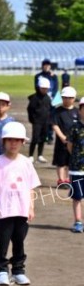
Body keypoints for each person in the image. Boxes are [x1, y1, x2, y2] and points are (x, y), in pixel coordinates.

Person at [0, 122, 40, 286]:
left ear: (23, 142)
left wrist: (31, 207)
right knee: (1, 241)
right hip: (3, 211)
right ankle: (1, 270)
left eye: (17, 140)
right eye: (9, 140)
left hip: (21, 210)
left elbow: (31, 187)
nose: (13, 143)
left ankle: (18, 270)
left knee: (19, 241)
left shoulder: (26, 162)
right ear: (3, 142)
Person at [52, 86, 78, 187]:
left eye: (70, 97)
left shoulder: (77, 112)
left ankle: (67, 179)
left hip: (74, 142)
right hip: (62, 141)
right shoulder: (57, 111)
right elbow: (55, 125)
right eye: (65, 97)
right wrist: (62, 137)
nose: (67, 100)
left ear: (74, 98)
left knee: (70, 161)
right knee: (61, 161)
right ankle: (61, 180)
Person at [66, 97, 84, 233]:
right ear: (80, 110)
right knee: (77, 197)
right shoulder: (75, 127)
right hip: (77, 169)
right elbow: (70, 146)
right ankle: (78, 221)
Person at [28, 77, 52, 163]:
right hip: (37, 122)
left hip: (46, 122)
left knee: (43, 138)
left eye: (46, 88)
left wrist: (49, 120)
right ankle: (31, 155)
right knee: (35, 138)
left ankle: (40, 155)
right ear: (39, 87)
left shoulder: (48, 98)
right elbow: (30, 109)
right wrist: (32, 120)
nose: (44, 90)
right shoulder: (34, 98)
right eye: (43, 88)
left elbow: (50, 109)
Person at [35, 59, 58, 144]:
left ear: (50, 66)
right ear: (42, 66)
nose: (46, 66)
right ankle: (41, 136)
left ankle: (50, 136)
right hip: (41, 100)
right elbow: (36, 87)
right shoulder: (38, 76)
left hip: (52, 100)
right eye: (45, 65)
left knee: (51, 118)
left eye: (48, 65)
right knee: (41, 118)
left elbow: (56, 88)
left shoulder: (53, 76)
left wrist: (52, 97)